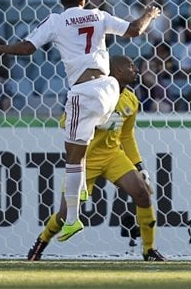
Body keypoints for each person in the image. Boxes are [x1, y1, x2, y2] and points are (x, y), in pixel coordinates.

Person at [0, 0, 161, 242]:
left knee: (73, 162)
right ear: (85, 0)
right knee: (91, 140)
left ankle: (73, 216)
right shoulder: (98, 16)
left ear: (62, 2)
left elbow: (28, 48)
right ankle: (100, 136)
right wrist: (149, 14)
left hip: (82, 93)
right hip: (109, 90)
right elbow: (134, 30)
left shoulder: (56, 21)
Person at [27, 55, 166, 262]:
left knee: (142, 193)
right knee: (66, 214)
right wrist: (93, 121)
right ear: (117, 71)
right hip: (84, 160)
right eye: (130, 66)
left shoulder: (131, 100)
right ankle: (41, 241)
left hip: (112, 156)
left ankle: (149, 250)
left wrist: (140, 167)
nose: (135, 69)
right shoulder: (91, 95)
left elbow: (127, 136)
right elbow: (65, 123)